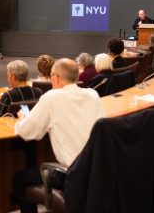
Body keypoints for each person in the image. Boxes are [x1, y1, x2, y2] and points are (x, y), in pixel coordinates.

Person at [13, 58, 105, 213]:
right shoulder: (93, 95)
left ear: (55, 77)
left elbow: (27, 132)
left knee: (19, 178)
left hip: (72, 174)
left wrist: (23, 120)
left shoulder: (51, 97)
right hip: (98, 171)